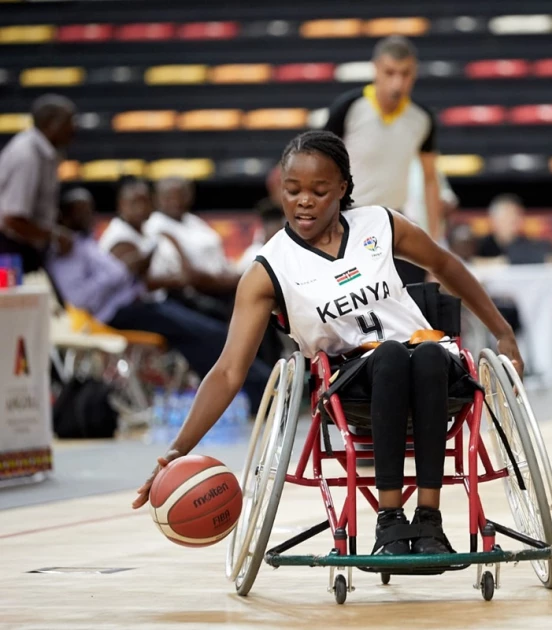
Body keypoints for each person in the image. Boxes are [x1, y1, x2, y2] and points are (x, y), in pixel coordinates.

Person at [130, 130, 524, 557]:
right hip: (349, 384)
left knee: (426, 353)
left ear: (342, 188)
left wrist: (503, 332)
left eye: (318, 191)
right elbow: (228, 371)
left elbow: (445, 264)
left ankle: (429, 518)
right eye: (292, 190)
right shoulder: (269, 268)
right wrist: (178, 449)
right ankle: (390, 520)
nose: (304, 201)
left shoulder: (380, 224)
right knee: (391, 355)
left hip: (430, 367)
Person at [47, 190, 272, 413]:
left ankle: (258, 388)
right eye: (80, 212)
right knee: (207, 334)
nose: (89, 217)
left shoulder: (85, 242)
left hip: (140, 303)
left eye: (90, 211)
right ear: (64, 216)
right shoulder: (65, 252)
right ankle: (257, 392)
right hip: (116, 314)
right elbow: (82, 299)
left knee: (209, 333)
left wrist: (129, 270)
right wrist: (123, 271)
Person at [322, 35, 442, 285]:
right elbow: (321, 167)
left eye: (405, 74)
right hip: (347, 219)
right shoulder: (349, 108)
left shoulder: (422, 119)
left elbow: (430, 180)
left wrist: (435, 243)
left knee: (408, 294)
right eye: (390, 72)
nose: (397, 82)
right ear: (376, 68)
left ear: (414, 73)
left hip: (392, 221)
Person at [0, 94, 76, 298]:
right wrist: (54, 235)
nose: (73, 128)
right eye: (69, 121)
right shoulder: (27, 155)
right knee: (13, 307)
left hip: (24, 246)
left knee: (34, 306)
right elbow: (12, 219)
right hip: (8, 250)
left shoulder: (44, 151)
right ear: (51, 123)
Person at [97, 178, 188, 300]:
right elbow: (141, 283)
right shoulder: (120, 237)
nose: (141, 208)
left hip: (158, 299)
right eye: (134, 203)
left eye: (145, 202)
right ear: (121, 205)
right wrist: (176, 280)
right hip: (130, 304)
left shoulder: (148, 229)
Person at [475, 194, 552, 264]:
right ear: (494, 220)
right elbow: (471, 261)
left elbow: (551, 258)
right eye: (508, 216)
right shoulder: (480, 245)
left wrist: (506, 261)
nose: (514, 220)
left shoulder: (528, 245)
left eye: (517, 216)